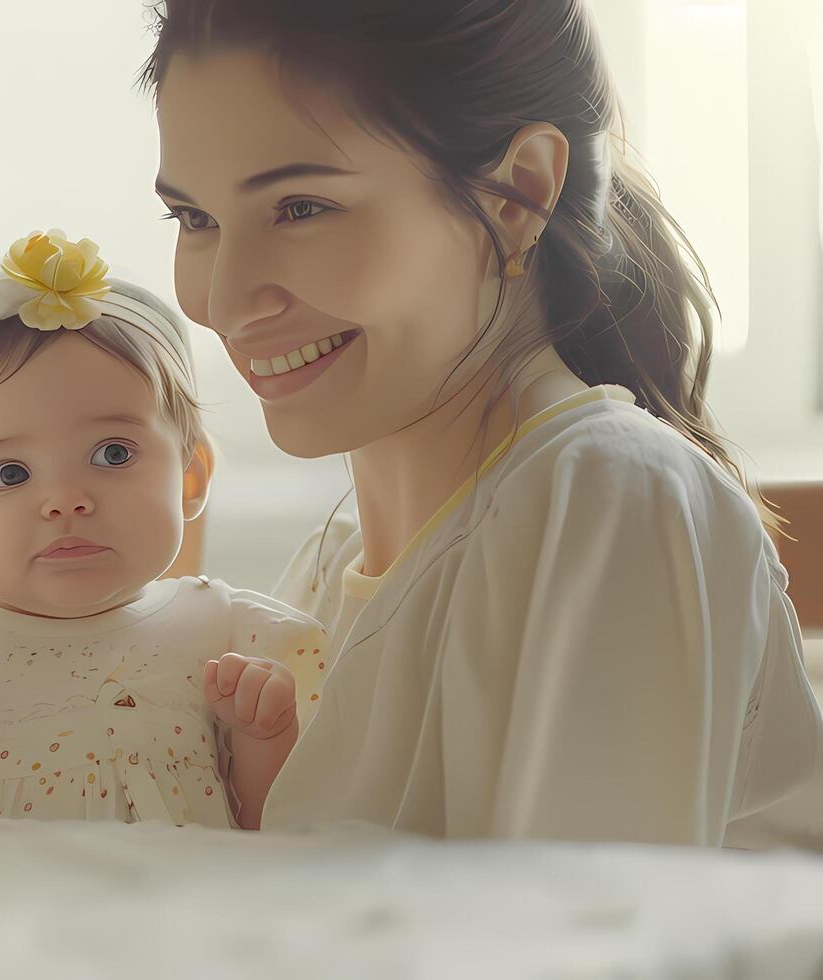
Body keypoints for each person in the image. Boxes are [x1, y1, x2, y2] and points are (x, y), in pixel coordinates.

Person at [144, 0, 823, 845]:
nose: (226, 299)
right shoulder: (322, 574)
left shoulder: (609, 501)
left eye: (301, 207)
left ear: (517, 195)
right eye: (196, 220)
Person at [0, 229, 328, 829]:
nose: (65, 501)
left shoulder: (230, 639)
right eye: (10, 473)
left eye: (113, 454)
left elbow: (274, 851)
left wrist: (265, 740)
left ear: (189, 477)